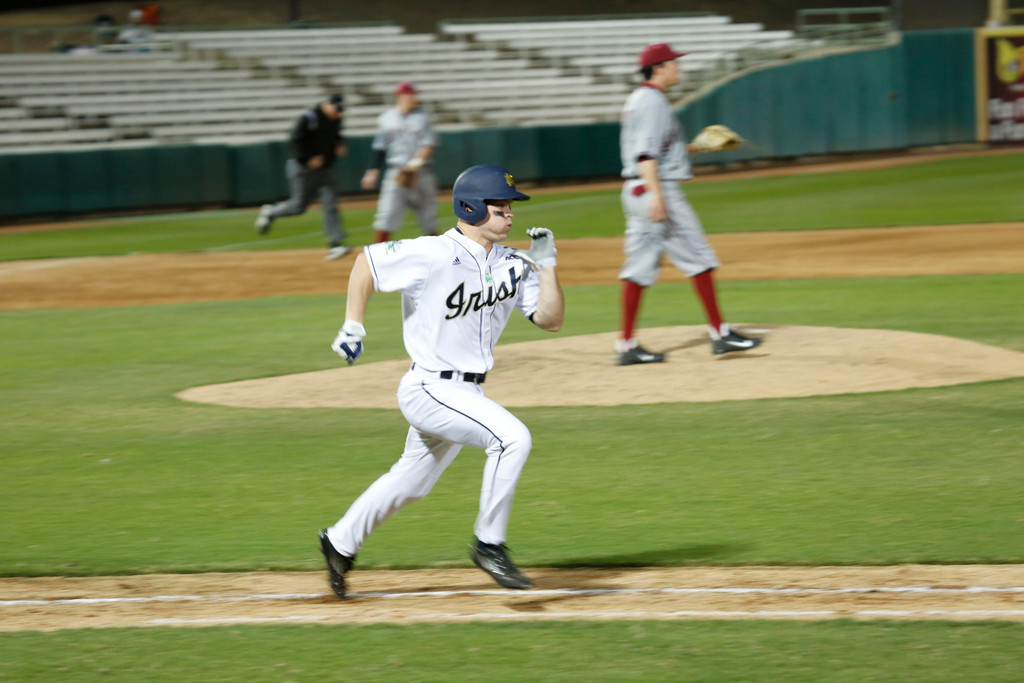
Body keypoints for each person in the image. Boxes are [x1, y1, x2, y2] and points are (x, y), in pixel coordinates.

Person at [319, 164, 564, 599]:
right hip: (429, 388)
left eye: (510, 206)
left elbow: (550, 320)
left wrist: (546, 269)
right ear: (470, 207)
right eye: (500, 205)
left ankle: (339, 541)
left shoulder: (514, 263)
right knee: (512, 438)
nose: (510, 214)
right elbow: (366, 263)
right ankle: (489, 545)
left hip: (465, 393)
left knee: (412, 480)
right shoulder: (432, 252)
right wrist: (352, 324)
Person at [616, 42, 762, 365]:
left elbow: (653, 150)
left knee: (638, 268)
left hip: (635, 190)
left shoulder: (639, 99)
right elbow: (646, 155)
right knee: (700, 258)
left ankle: (626, 347)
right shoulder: (653, 101)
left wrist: (694, 148)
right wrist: (657, 195)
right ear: (659, 68)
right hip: (655, 188)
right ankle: (721, 335)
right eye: (673, 64)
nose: (678, 68)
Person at [255, 94, 351, 260]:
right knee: (298, 207)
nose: (339, 113)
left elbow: (336, 136)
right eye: (337, 109)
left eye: (341, 110)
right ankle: (271, 212)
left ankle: (336, 244)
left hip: (325, 170)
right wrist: (308, 159)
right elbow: (294, 142)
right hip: (302, 169)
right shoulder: (309, 118)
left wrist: (339, 144)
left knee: (330, 205)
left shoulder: (335, 119)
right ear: (327, 105)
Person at [360, 81, 439, 243]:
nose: (413, 97)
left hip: (421, 172)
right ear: (400, 96)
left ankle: (439, 253)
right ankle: (378, 252)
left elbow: (429, 144)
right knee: (387, 212)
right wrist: (372, 171)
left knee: (428, 215)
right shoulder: (386, 119)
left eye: (414, 94)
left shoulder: (422, 118)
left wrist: (415, 162)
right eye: (410, 94)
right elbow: (380, 148)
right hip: (396, 172)